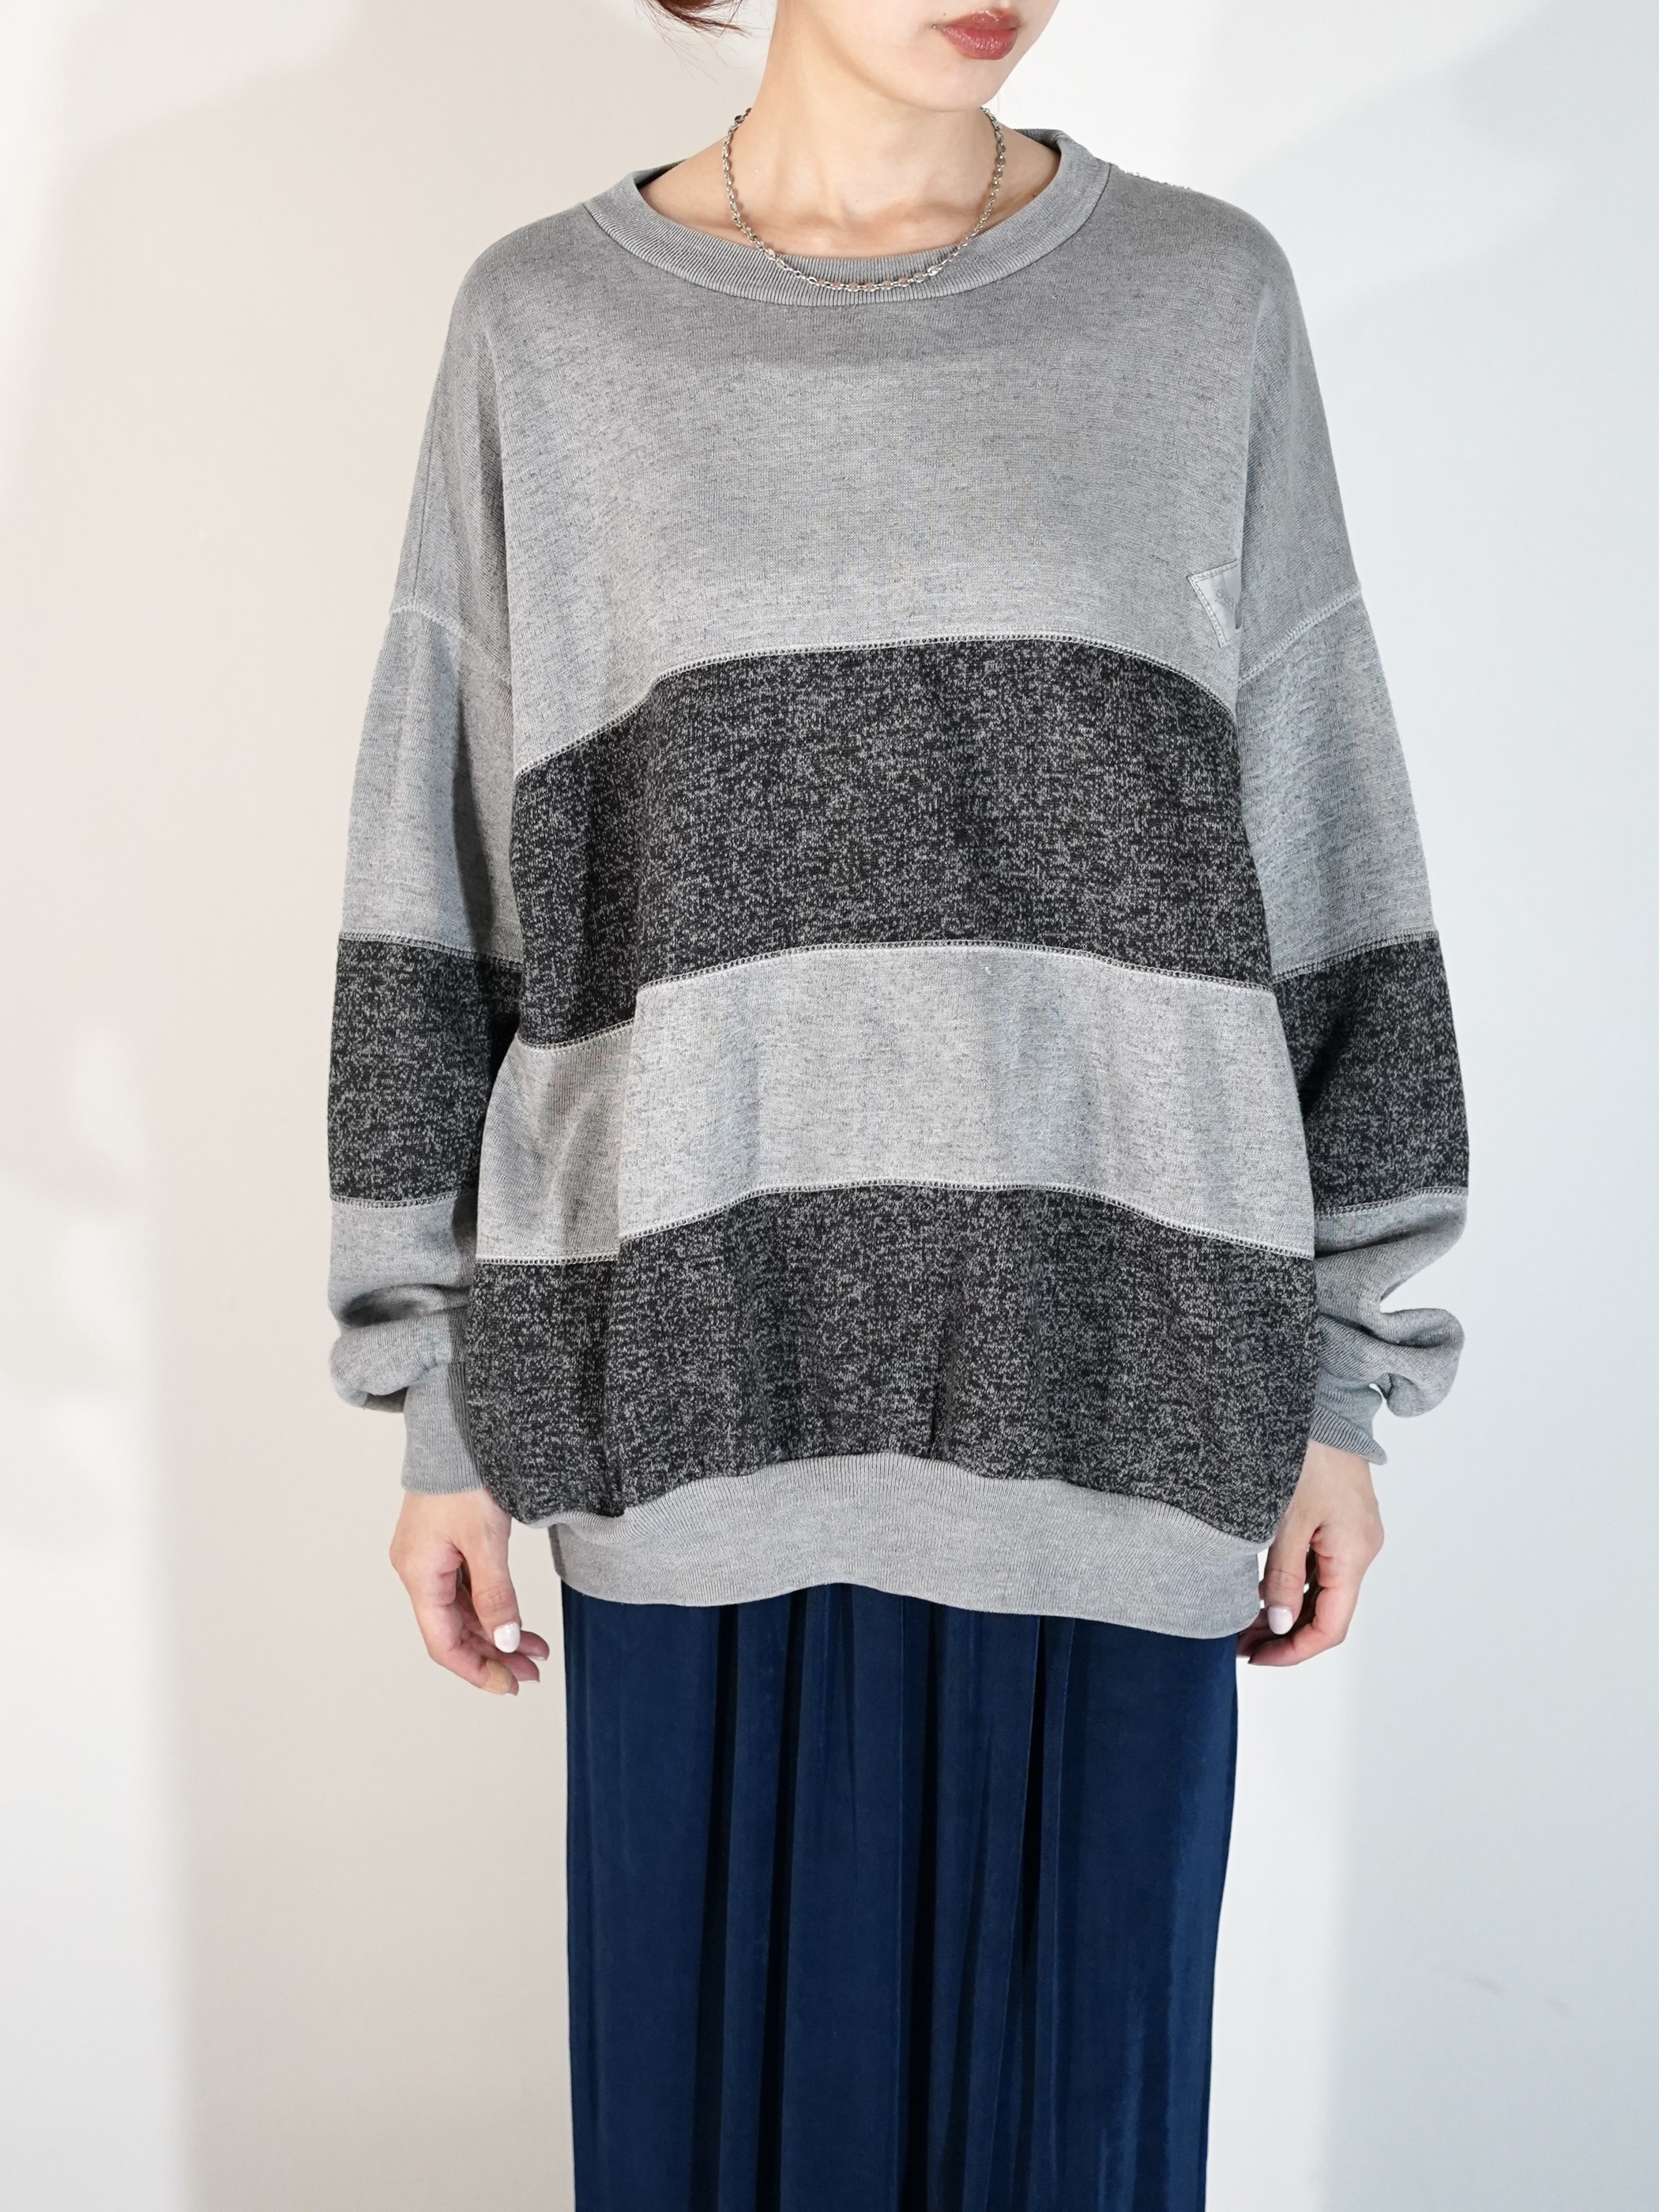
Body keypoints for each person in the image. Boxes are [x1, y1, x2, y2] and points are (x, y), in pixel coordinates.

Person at [325, 2, 1468, 2203]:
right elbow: (437, 881)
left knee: (1075, 2145)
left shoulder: (1200, 302)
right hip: (684, 1402)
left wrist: (1343, 1371)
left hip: (1118, 1396)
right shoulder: (549, 331)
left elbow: (1329, 838)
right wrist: (433, 1390)